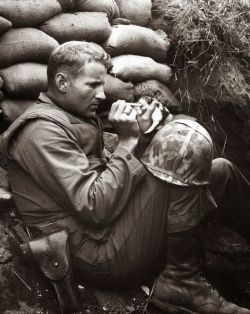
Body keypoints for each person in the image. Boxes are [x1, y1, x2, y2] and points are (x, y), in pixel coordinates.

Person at [2, 41, 250, 314]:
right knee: (182, 142)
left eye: (102, 85)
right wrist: (128, 142)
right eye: (92, 85)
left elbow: (112, 183)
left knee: (221, 171)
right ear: (62, 82)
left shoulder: (70, 117)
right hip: (96, 253)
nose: (101, 94)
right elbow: (94, 208)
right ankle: (181, 281)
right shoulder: (40, 132)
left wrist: (141, 138)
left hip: (110, 229)